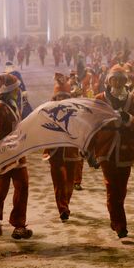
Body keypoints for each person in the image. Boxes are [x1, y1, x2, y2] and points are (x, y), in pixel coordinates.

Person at [90, 65, 134, 238]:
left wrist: (129, 119)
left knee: (120, 189)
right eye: (114, 78)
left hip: (126, 151)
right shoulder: (100, 99)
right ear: (109, 80)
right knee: (111, 187)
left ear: (126, 80)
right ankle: (120, 224)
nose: (117, 81)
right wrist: (89, 151)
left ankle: (115, 217)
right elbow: (92, 126)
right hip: (106, 149)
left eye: (121, 78)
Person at [0, 73, 33, 239]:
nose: (18, 90)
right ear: (10, 90)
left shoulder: (14, 105)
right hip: (3, 157)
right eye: (16, 88)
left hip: (18, 154)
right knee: (0, 190)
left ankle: (19, 224)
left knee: (23, 186)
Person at [44, 90, 80, 221]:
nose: (63, 99)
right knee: (60, 182)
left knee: (69, 183)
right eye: (61, 96)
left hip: (72, 153)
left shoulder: (76, 113)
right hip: (55, 153)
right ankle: (63, 208)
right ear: (56, 97)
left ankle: (66, 204)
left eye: (66, 96)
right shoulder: (48, 113)